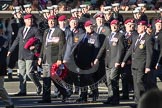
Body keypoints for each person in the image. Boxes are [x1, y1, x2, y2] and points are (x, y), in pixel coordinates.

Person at [37, 15, 71, 103]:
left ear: (56, 22)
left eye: (53, 21)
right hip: (46, 58)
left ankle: (64, 93)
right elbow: (43, 46)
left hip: (54, 58)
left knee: (53, 78)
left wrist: (60, 58)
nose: (51, 22)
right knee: (46, 79)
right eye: (50, 21)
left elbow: (62, 47)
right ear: (47, 22)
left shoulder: (59, 32)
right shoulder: (46, 31)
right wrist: (40, 57)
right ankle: (46, 98)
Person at [7, 14, 42, 96]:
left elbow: (40, 41)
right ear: (25, 20)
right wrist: (11, 50)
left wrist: (35, 46)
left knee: (30, 72)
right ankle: (22, 91)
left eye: (31, 19)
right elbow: (17, 40)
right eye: (28, 19)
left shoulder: (35, 30)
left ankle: (38, 85)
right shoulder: (21, 29)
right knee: (22, 74)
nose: (30, 20)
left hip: (30, 54)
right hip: (21, 54)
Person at [94, 19, 125, 105]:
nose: (114, 26)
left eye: (116, 25)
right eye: (112, 25)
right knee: (109, 81)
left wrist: (118, 61)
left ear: (118, 26)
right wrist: (97, 58)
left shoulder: (120, 36)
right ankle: (110, 97)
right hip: (108, 62)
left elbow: (121, 50)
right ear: (110, 26)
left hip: (115, 62)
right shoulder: (109, 36)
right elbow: (103, 48)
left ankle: (116, 99)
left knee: (114, 80)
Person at [121, 20, 153, 103]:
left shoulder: (148, 38)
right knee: (135, 84)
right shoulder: (136, 37)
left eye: (140, 26)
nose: (138, 28)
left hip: (142, 64)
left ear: (145, 27)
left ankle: (143, 100)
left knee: (140, 82)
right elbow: (130, 50)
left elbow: (149, 53)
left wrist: (148, 66)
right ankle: (137, 101)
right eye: (137, 26)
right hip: (134, 64)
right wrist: (124, 61)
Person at [0, 32, 14, 108]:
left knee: (0, 88)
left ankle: (9, 103)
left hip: (0, 66)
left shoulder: (4, 41)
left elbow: (3, 54)